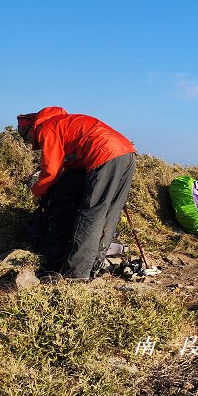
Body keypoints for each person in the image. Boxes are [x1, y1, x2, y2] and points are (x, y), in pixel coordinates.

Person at [17, 107, 136, 280]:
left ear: (29, 129)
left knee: (92, 213)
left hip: (104, 153)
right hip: (126, 153)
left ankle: (76, 274)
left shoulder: (46, 128)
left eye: (24, 137)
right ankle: (95, 265)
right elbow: (76, 156)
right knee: (110, 212)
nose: (27, 142)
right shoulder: (63, 122)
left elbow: (50, 170)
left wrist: (38, 191)